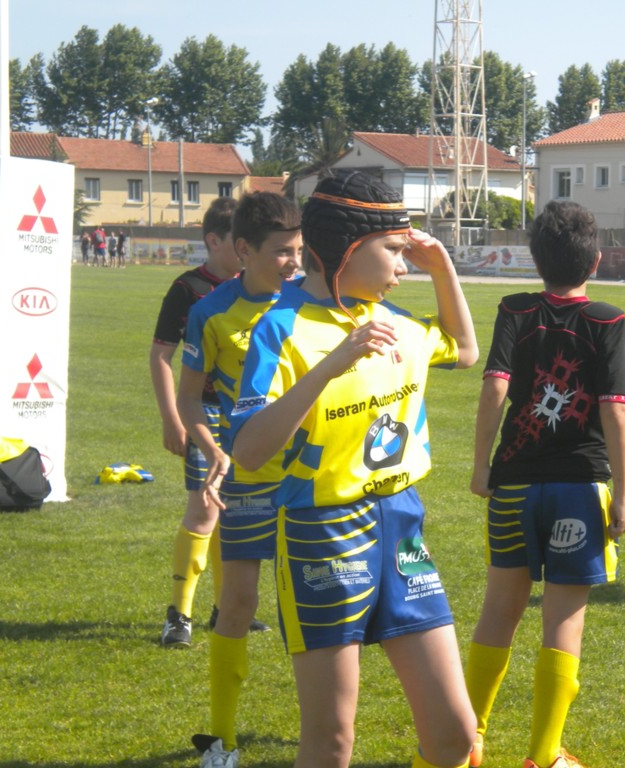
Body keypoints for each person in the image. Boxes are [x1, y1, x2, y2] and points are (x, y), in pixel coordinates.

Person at [229, 169, 479, 768]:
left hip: (402, 527)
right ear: (346, 248)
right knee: (331, 742)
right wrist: (331, 365)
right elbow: (249, 450)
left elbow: (465, 350)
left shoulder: (396, 322)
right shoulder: (281, 328)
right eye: (393, 250)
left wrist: (443, 269)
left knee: (455, 734)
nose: (403, 266)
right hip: (322, 534)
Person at [464, 200, 625, 768]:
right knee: (562, 619)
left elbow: (494, 387)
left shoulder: (515, 309)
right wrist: (623, 496)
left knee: (498, 609)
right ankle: (542, 755)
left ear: (535, 261)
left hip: (513, 481)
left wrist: (481, 466)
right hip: (579, 486)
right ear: (596, 260)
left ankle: (467, 739)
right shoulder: (607, 320)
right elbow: (615, 409)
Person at [177, 192, 302, 768]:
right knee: (237, 603)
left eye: (298, 250)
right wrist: (212, 451)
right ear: (245, 249)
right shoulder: (210, 312)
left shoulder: (311, 303)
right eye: (281, 252)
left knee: (309, 605)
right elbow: (190, 400)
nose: (293, 263)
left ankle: (321, 730)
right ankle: (222, 742)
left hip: (309, 477)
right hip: (247, 477)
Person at [150, 196, 242, 648]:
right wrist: (172, 417)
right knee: (204, 508)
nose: (247, 248)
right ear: (214, 241)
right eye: (239, 240)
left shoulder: (258, 287)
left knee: (234, 512)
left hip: (247, 414)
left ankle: (225, 609)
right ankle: (179, 615)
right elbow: (161, 355)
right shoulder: (188, 289)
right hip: (201, 413)